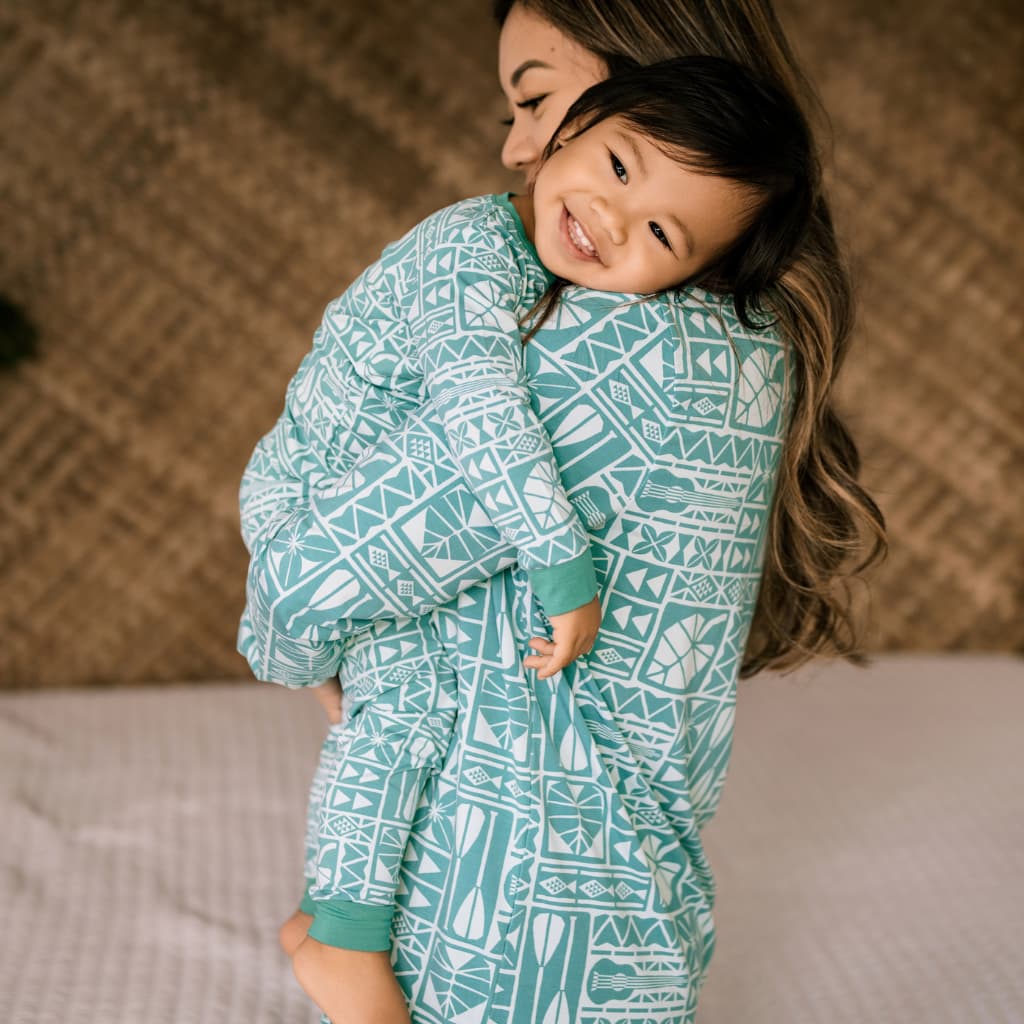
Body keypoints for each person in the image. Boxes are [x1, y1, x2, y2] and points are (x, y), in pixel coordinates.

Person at [270, 4, 885, 1023]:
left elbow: (308, 579)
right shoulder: (731, 341)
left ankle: (340, 933)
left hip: (515, 941)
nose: (516, 147)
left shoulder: (618, 351)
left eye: (536, 99)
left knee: (391, 712)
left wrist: (290, 637)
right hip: (602, 918)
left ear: (640, 84)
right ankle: (339, 929)